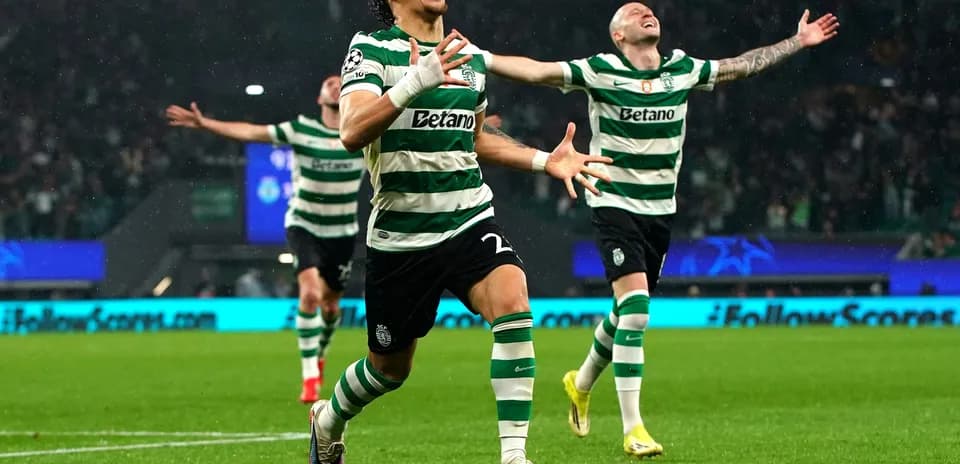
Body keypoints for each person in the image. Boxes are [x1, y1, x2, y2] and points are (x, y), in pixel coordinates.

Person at [482, 2, 839, 458]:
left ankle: (581, 381)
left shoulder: (683, 68)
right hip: (613, 203)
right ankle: (633, 428)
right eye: (633, 13)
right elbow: (536, 71)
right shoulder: (601, 70)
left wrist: (797, 41)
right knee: (636, 311)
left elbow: (741, 66)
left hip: (659, 210)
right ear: (618, 36)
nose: (645, 12)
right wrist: (483, 57)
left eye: (648, 10)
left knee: (626, 310)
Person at [307, 1, 612, 463]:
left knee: (513, 300)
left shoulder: (467, 56)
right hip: (400, 234)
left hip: (467, 216)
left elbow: (473, 136)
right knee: (388, 370)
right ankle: (328, 419)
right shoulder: (371, 48)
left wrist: (542, 160)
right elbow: (351, 131)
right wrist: (415, 81)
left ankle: (513, 456)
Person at [166, 76, 362, 404]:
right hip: (305, 225)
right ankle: (310, 374)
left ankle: (321, 351)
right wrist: (205, 124)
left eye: (339, 81)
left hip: (341, 233)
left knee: (330, 305)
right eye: (328, 82)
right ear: (319, 98)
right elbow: (251, 132)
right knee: (311, 295)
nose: (334, 83)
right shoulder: (301, 130)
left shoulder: (359, 136)